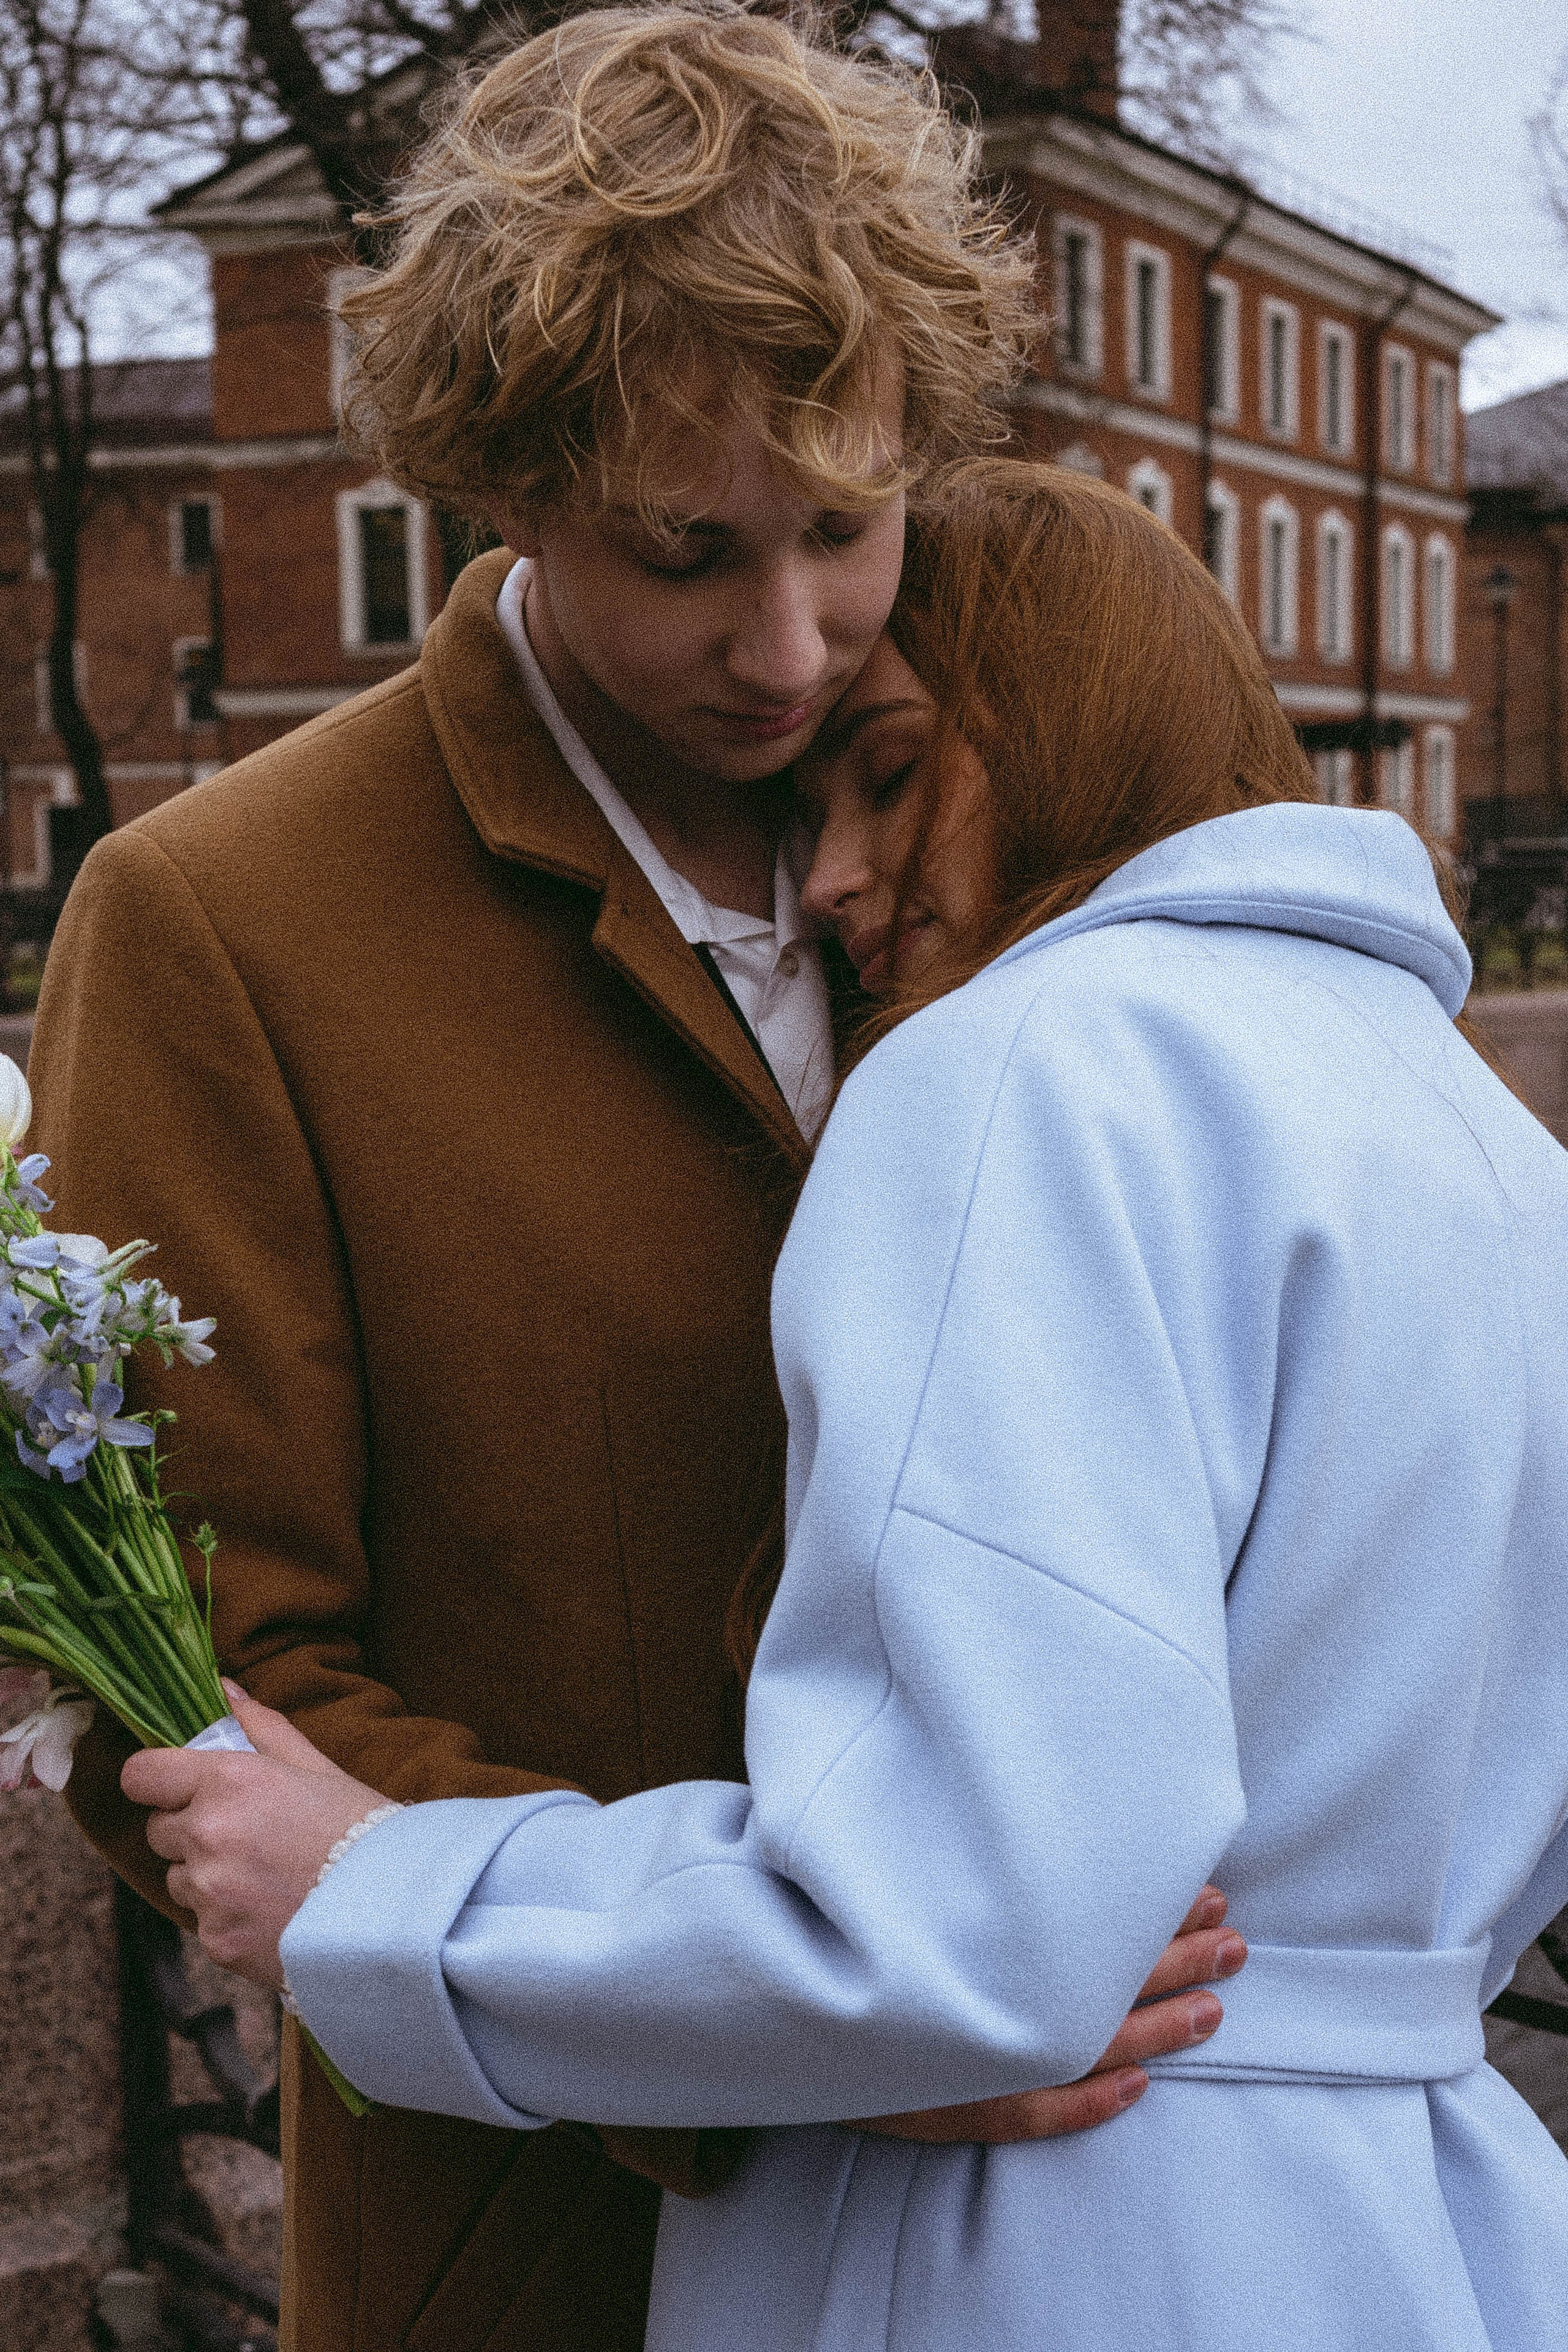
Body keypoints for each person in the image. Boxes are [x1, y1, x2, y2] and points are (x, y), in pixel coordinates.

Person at [36, 21, 1239, 2351]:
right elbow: (180, 1687)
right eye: (684, 554)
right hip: (546, 2255)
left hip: (1116, 2224)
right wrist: (816, 2013)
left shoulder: (1024, 805)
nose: (787, 649)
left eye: (848, 532)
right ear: (502, 482)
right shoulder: (221, 926)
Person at [130, 459, 1568, 2349]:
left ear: (1076, 728)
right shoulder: (1495, 1146)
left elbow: (953, 1932)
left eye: (892, 775)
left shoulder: (1017, 1064)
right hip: (1423, 2218)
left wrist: (390, 1892)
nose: (831, 881)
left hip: (1038, 2231)